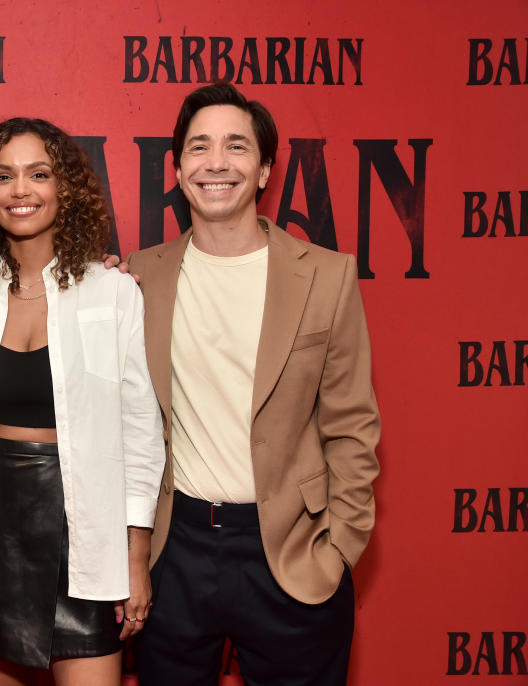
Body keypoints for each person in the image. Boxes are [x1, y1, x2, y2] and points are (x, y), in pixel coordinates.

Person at [128, 83, 381, 685]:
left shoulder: (326, 276)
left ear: (265, 167)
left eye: (236, 146)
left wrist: (339, 546)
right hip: (174, 554)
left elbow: (353, 426)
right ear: (179, 166)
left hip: (294, 555)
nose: (217, 163)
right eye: (199, 147)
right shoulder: (137, 277)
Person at [0, 117, 165, 686]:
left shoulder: (113, 292)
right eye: (4, 176)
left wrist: (134, 556)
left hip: (89, 532)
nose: (21, 190)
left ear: (66, 189)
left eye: (39, 174)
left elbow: (140, 434)